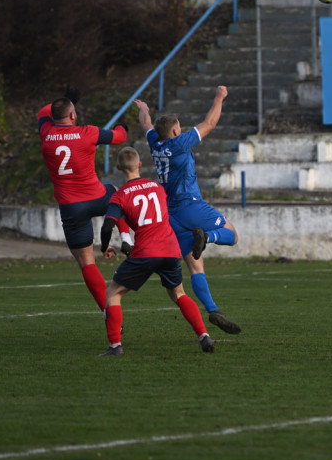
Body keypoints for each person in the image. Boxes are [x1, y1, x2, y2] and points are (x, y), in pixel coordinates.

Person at [135, 89, 241, 336]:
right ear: (175, 131)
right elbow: (210, 123)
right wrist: (219, 98)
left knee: (195, 266)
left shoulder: (155, 143)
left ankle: (213, 310)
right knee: (232, 235)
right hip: (190, 206)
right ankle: (207, 237)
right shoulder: (179, 143)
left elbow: (146, 125)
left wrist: (143, 109)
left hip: (170, 215)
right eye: (179, 127)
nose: (181, 130)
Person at [98, 147, 216, 355]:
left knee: (113, 294)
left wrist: (104, 246)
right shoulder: (158, 188)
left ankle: (115, 345)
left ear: (118, 168)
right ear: (140, 165)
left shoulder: (119, 196)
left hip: (145, 251)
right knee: (179, 294)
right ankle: (204, 336)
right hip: (171, 250)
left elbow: (108, 226)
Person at [38, 89, 134, 313]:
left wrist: (65, 100)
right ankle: (127, 237)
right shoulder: (88, 132)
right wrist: (123, 126)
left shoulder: (45, 132)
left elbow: (44, 111)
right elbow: (120, 137)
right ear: (72, 116)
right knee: (118, 194)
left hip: (71, 207)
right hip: (97, 196)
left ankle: (107, 312)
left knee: (87, 262)